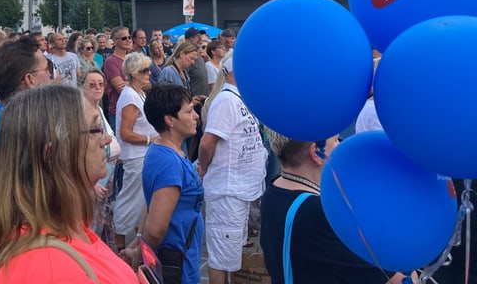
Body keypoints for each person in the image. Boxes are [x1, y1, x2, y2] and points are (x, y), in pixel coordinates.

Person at [0, 85, 138, 283]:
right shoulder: (46, 267)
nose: (106, 139)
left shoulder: (61, 222)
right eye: (96, 129)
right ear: (52, 154)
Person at [259, 129, 412, 284]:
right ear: (316, 153)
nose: (340, 146)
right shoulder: (323, 215)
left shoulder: (273, 192)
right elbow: (396, 280)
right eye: (335, 141)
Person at [0, 36, 52, 229]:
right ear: (30, 80)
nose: (51, 76)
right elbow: (15, 222)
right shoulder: (5, 145)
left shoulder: (7, 121)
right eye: (47, 69)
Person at [198, 53, 267, 284]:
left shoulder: (239, 98)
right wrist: (203, 168)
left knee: (232, 251)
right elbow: (208, 141)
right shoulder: (226, 100)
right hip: (227, 191)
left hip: (241, 189)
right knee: (221, 256)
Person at [125, 84, 204, 284]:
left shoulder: (168, 151)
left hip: (181, 257)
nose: (195, 116)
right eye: (189, 111)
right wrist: (140, 254)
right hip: (176, 263)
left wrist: (137, 242)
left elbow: (150, 203)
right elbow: (156, 229)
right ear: (170, 120)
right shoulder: (167, 161)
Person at [114, 52, 158, 250]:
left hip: (142, 155)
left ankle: (135, 243)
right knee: (130, 199)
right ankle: (120, 244)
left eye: (149, 69)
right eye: (144, 70)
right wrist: (150, 139)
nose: (149, 73)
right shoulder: (131, 97)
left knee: (140, 200)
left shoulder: (138, 93)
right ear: (133, 73)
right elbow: (125, 133)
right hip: (136, 156)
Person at [80, 68, 120, 244]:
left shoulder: (100, 110)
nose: (97, 88)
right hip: (91, 183)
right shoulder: (81, 114)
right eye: (92, 85)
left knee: (100, 225)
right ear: (82, 87)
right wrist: (91, 183)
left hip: (107, 179)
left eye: (101, 84)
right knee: (90, 226)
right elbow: (77, 151)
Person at [102, 26, 132, 128]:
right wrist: (137, 82)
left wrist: (130, 83)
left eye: (129, 37)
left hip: (134, 109)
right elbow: (121, 89)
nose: (128, 40)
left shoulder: (131, 59)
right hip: (118, 111)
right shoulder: (111, 61)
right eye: (124, 38)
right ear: (114, 41)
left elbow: (147, 84)